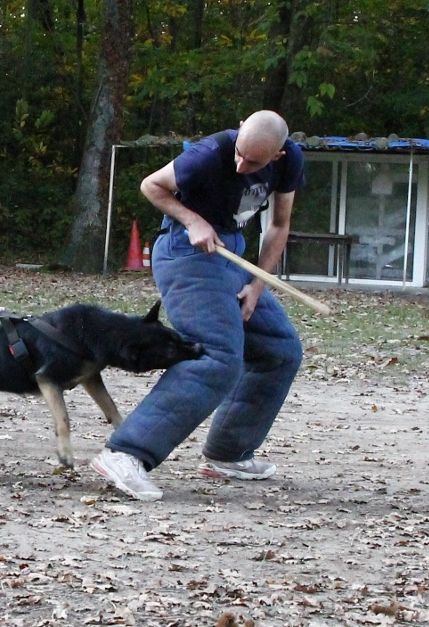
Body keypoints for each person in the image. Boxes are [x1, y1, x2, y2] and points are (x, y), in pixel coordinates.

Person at [91, 110, 305, 501]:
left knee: (280, 350)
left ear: (276, 156)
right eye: (240, 154)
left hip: (232, 257)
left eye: (254, 162)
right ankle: (125, 453)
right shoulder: (209, 153)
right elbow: (151, 185)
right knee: (217, 356)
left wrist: (257, 286)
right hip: (186, 254)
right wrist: (192, 220)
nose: (242, 165)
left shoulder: (290, 161)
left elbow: (278, 226)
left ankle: (228, 453)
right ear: (238, 129)